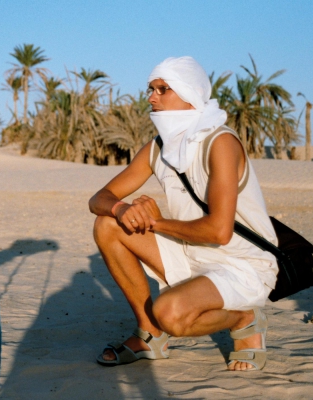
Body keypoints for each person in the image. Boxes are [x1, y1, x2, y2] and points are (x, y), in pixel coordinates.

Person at [89, 56, 278, 371]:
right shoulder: (158, 148)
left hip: (241, 264)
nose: (151, 97)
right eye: (151, 89)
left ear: (190, 93)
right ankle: (149, 335)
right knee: (107, 223)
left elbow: (220, 231)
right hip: (190, 251)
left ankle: (245, 317)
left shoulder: (220, 143)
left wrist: (154, 221)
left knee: (171, 314)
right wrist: (122, 208)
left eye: (163, 89)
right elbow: (99, 199)